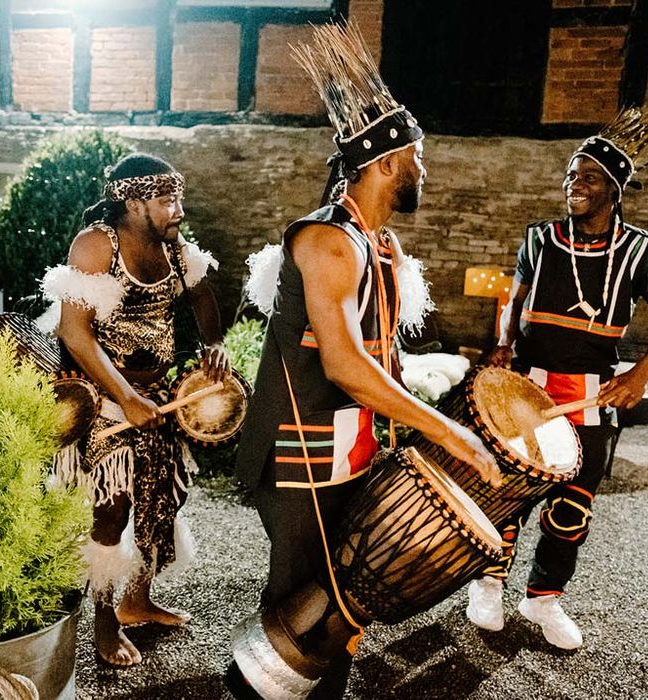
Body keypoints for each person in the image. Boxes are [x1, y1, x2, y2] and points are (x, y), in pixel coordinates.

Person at [228, 23, 501, 699]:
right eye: (419, 158)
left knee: (341, 606)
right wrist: (447, 431)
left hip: (347, 452)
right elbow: (347, 367)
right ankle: (253, 687)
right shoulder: (327, 242)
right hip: (298, 454)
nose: (425, 172)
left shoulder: (380, 248)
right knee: (298, 610)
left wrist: (409, 427)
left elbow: (380, 359)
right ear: (386, 163)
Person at [466, 108, 648, 650]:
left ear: (614, 190)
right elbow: (514, 298)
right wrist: (505, 343)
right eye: (571, 174)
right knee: (510, 488)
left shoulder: (642, 251)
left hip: (592, 394)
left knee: (574, 500)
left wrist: (641, 373)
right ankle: (489, 583)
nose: (573, 184)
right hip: (527, 387)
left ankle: (544, 597)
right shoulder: (540, 238)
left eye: (588, 177)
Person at [41, 153, 229, 666]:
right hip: (105, 397)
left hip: (160, 396)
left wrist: (216, 344)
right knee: (111, 511)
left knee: (161, 501)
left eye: (179, 199)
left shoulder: (176, 248)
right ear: (134, 200)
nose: (179, 211)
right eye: (168, 201)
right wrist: (124, 395)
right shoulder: (98, 244)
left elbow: (204, 297)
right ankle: (102, 626)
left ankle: (136, 603)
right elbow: (74, 333)